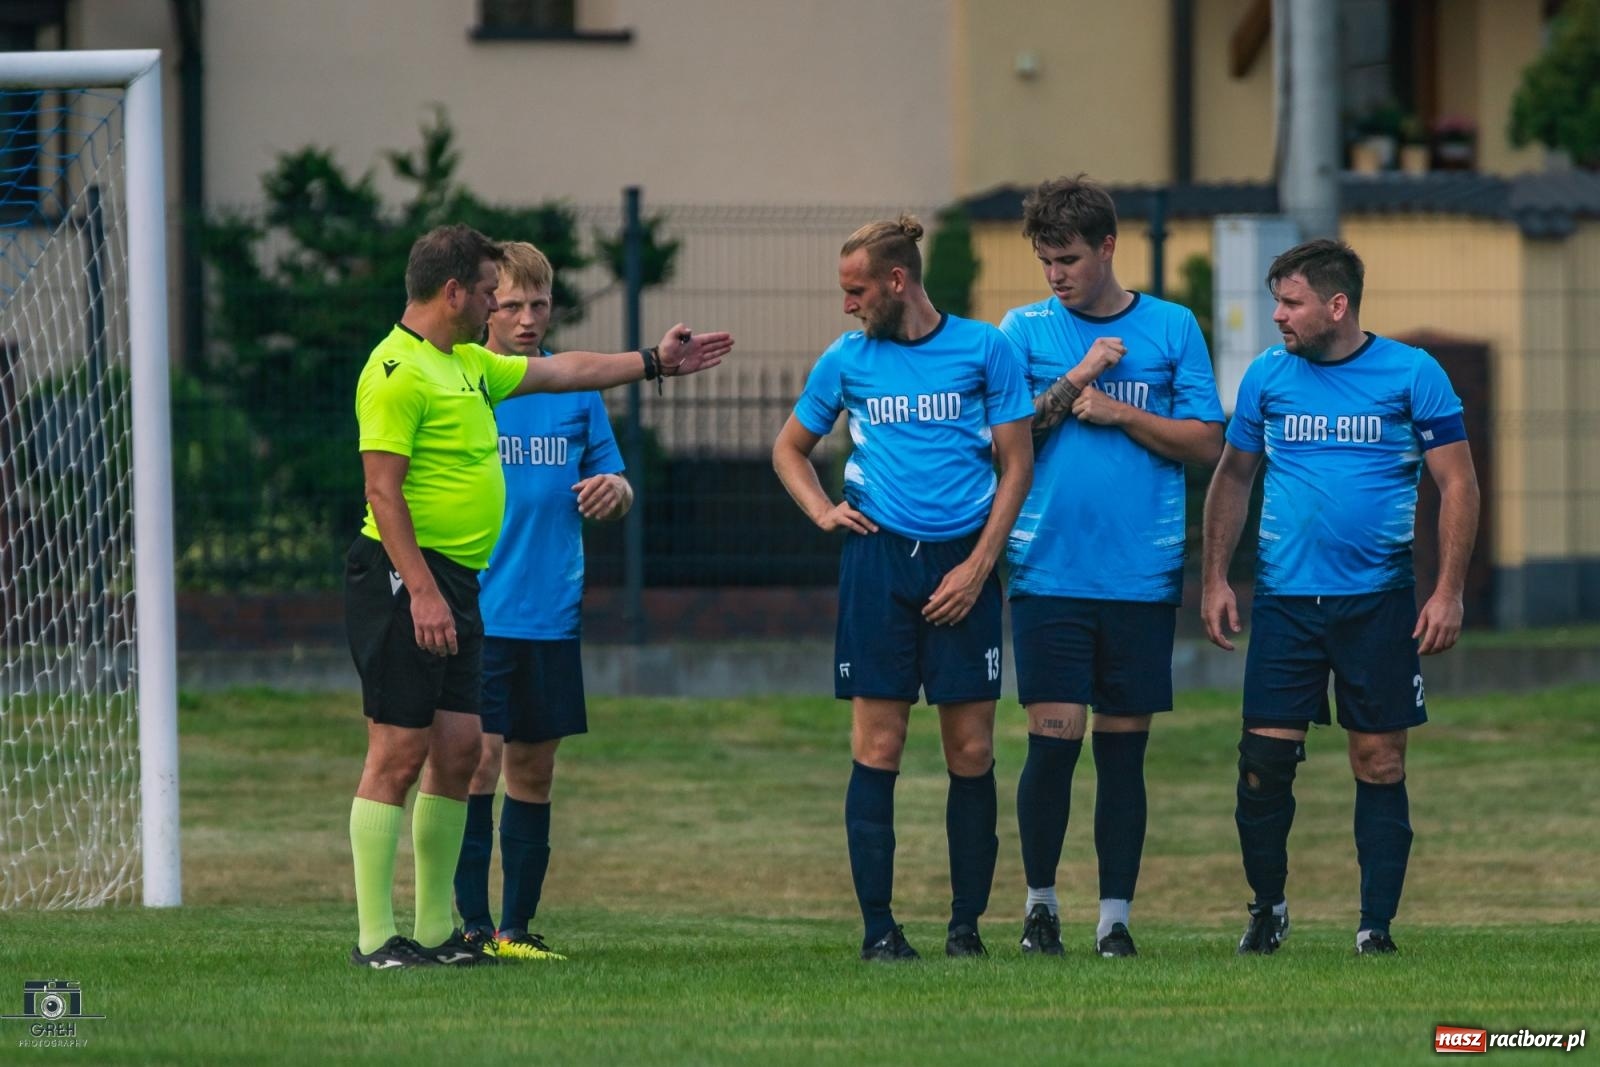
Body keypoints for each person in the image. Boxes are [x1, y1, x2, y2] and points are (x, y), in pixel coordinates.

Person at [346, 223, 731, 969]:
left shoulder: (464, 366)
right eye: (492, 291)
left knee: (458, 750)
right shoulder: (396, 370)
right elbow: (381, 492)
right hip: (405, 578)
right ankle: (374, 939)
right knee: (398, 753)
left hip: (458, 583)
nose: (503, 306)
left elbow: (566, 373)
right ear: (455, 291)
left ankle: (436, 936)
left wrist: (654, 361)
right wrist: (422, 591)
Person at [1201, 238, 1479, 956]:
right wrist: (1214, 577)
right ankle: (1267, 908)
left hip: (1378, 602)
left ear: (1336, 304)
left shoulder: (1412, 374)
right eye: (1275, 302)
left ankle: (1374, 927)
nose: (1277, 317)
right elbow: (1233, 476)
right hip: (1288, 603)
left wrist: (1448, 591)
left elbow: (1459, 484)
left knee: (1380, 761)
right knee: (1262, 764)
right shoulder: (1268, 377)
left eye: (1290, 303)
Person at [772, 215, 1034, 961]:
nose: (847, 304)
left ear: (897, 281)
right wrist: (822, 509)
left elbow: (1017, 466)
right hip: (877, 561)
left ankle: (965, 928)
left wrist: (979, 566)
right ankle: (879, 929)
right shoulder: (847, 360)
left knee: (971, 749)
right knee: (878, 743)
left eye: (856, 290)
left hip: (963, 563)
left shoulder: (986, 349)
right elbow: (789, 448)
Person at [999, 175, 1223, 958]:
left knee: (1122, 753)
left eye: (1067, 258)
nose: (1055, 274)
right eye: (1045, 260)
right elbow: (1009, 438)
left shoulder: (1171, 327)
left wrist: (1123, 410)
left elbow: (1206, 441)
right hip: (1047, 568)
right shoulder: (1022, 330)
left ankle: (1115, 919)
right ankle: (1039, 908)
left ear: (1107, 247)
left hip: (1139, 572)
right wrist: (1079, 376)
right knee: (1052, 743)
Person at [447, 242, 630, 962]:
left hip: (551, 611)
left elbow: (614, 480)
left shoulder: (573, 389)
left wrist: (616, 491)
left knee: (535, 768)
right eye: (513, 304)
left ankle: (515, 930)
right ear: (487, 304)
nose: (527, 319)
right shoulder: (468, 383)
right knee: (477, 763)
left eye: (540, 305)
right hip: (480, 611)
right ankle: (468, 924)